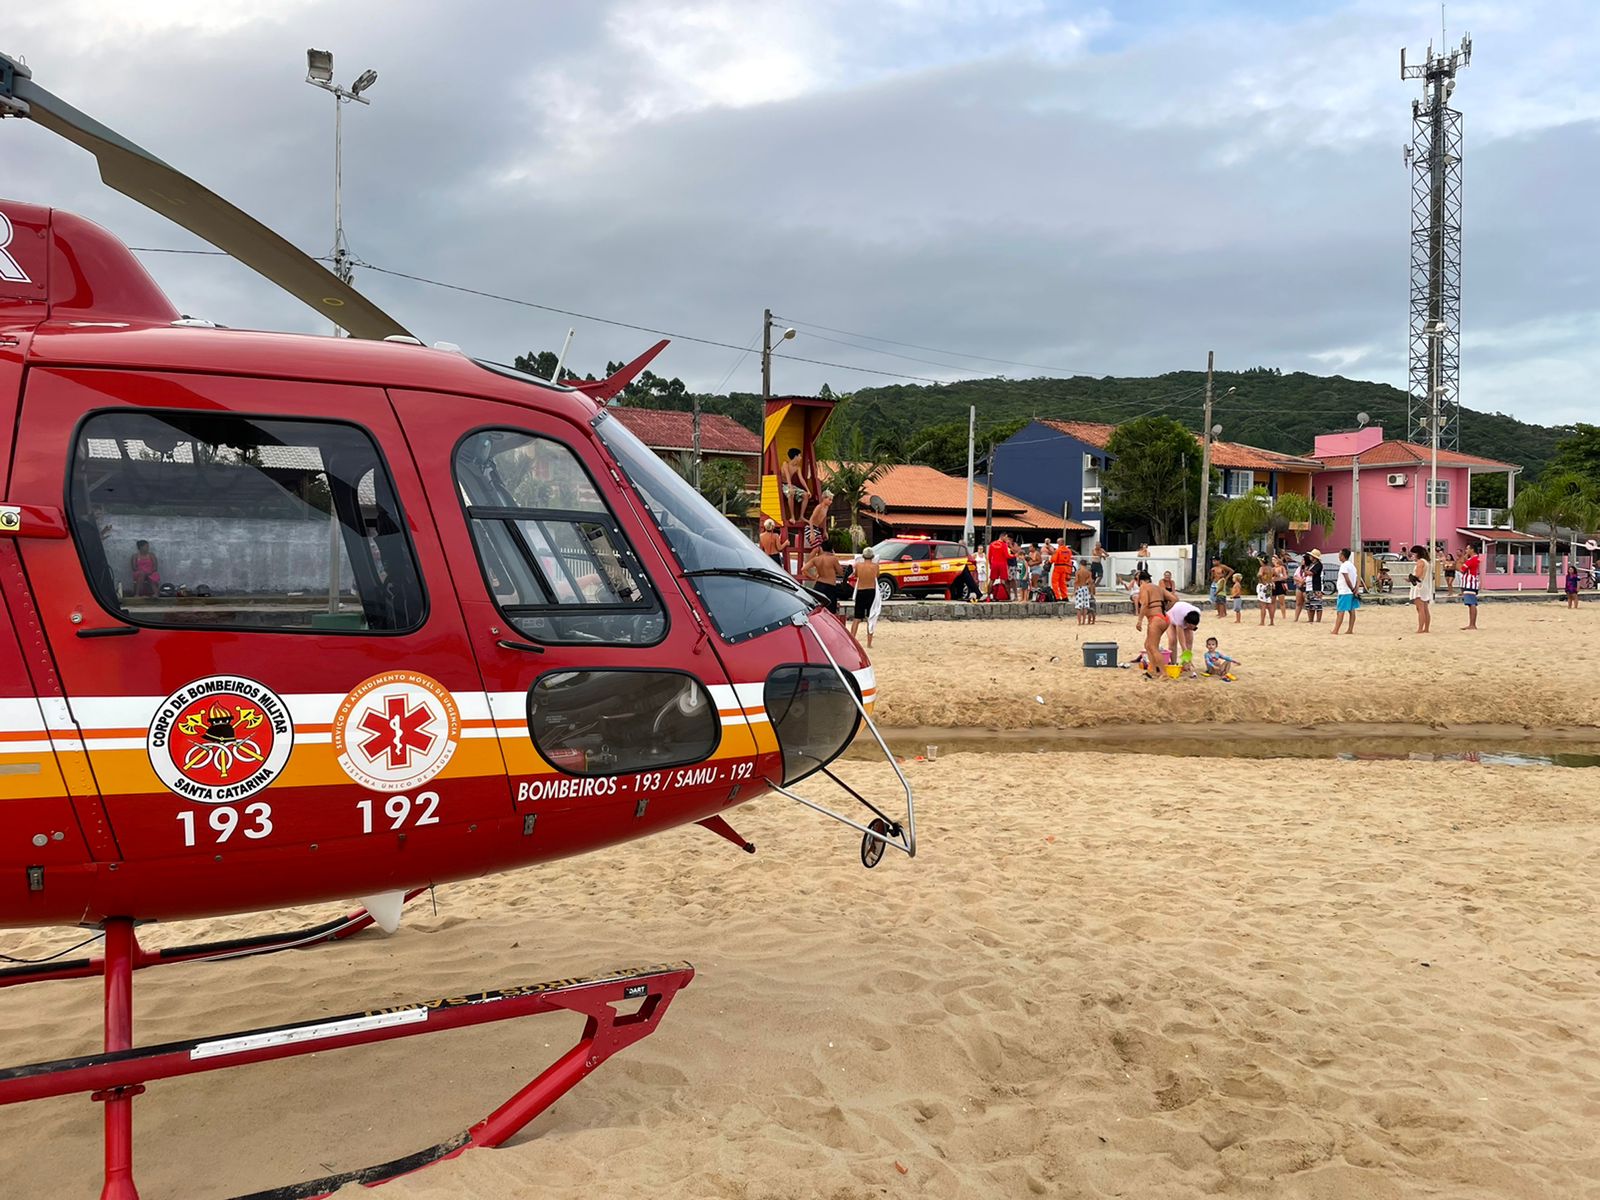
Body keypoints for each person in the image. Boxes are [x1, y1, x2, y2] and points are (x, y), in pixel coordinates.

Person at [1136, 569, 1171, 679]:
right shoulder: (1158, 587)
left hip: (1155, 619)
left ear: (1140, 581)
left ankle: (1164, 673)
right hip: (1163, 618)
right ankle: (1151, 670)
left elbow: (1145, 604)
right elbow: (1174, 599)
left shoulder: (1144, 587)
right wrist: (1165, 609)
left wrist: (1140, 620)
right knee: (1148, 645)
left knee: (1152, 647)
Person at [849, 548, 880, 646]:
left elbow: (856, 575)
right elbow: (877, 576)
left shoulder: (858, 565)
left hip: (861, 591)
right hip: (871, 591)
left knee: (857, 618)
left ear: (863, 556)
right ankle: (869, 643)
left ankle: (852, 641)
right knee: (870, 618)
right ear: (872, 557)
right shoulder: (875, 566)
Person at [1164, 598, 1202, 677]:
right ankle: (1173, 663)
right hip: (1171, 618)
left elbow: (1188, 642)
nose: (1191, 629)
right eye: (1190, 627)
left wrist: (1187, 659)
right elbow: (1182, 642)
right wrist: (1186, 653)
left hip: (1184, 616)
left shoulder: (1197, 612)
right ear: (1186, 623)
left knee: (1189, 641)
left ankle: (1186, 665)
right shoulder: (1180, 619)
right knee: (1173, 640)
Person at [803, 543, 844, 613]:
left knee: (817, 608)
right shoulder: (833, 559)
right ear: (831, 549)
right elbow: (841, 572)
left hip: (819, 584)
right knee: (830, 611)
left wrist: (813, 578)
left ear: (821, 548)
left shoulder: (816, 559)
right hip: (830, 585)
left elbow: (803, 569)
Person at [1331, 547, 1361, 635]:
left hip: (1345, 591)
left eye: (1340, 554)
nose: (1338, 556)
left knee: (1340, 611)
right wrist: (1356, 589)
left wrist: (1352, 588)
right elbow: (1357, 578)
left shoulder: (1344, 566)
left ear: (1343, 556)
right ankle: (1350, 629)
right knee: (1351, 610)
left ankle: (1336, 630)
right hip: (1350, 591)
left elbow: (1347, 579)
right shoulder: (1352, 565)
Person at [779, 448, 810, 522]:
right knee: (791, 493)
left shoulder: (797, 467)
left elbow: (801, 479)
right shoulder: (785, 463)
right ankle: (792, 517)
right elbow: (787, 476)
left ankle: (801, 517)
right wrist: (790, 488)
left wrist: (808, 490)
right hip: (783, 485)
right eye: (800, 456)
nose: (801, 457)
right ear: (795, 456)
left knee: (805, 495)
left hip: (790, 485)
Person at [1408, 544, 1433, 634]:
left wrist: (1410, 578)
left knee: (1420, 608)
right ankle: (1426, 628)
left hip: (1419, 586)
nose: (1413, 556)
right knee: (1425, 608)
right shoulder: (1427, 562)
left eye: (1414, 554)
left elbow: (1418, 575)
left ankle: (1420, 628)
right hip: (1425, 585)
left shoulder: (1420, 562)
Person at [1458, 545, 1482, 629]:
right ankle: (1472, 624)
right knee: (1471, 603)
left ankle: (1472, 624)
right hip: (1471, 582)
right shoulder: (1475, 559)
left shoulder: (1472, 560)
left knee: (1471, 603)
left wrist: (1462, 560)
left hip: (1470, 583)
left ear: (1472, 550)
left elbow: (1461, 569)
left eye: (1467, 549)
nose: (1466, 550)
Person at [985, 535, 1011, 600]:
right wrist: (1015, 555)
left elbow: (989, 556)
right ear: (1003, 536)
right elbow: (1007, 556)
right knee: (1004, 580)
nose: (1007, 539)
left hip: (994, 564)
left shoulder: (992, 544)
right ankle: (1008, 596)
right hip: (1002, 564)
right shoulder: (1004, 544)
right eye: (1006, 537)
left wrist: (991, 564)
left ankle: (988, 596)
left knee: (991, 580)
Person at [1304, 549, 1325, 624]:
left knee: (1317, 604)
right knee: (1310, 605)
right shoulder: (1311, 565)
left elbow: (1310, 573)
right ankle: (1310, 619)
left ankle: (1318, 620)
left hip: (1316, 587)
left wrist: (1306, 572)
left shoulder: (1318, 565)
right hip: (1309, 587)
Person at [1255, 556, 1274, 627]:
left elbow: (1260, 575)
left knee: (1263, 605)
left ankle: (1262, 622)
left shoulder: (1262, 568)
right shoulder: (1270, 568)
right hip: (1269, 585)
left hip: (1263, 586)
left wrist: (1263, 582)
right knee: (1269, 604)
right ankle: (1272, 621)